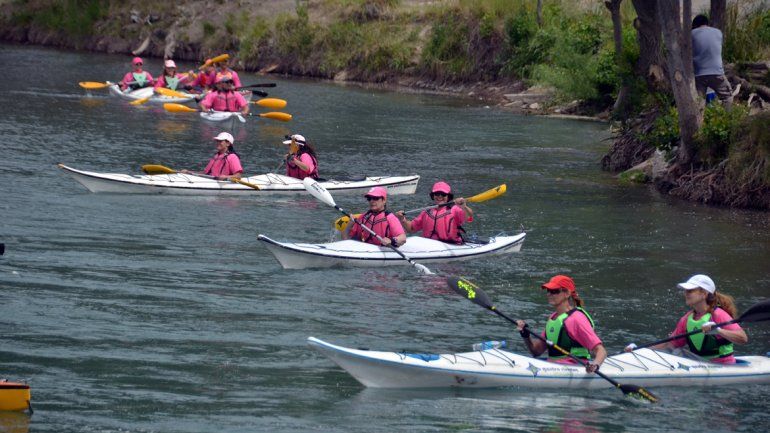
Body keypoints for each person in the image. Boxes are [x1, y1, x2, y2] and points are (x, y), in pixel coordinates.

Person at [626, 274, 748, 364]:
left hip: (723, 366)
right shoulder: (686, 319)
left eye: (690, 290)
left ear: (704, 294)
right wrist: (639, 350)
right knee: (675, 352)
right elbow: (670, 344)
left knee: (678, 353)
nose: (686, 293)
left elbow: (743, 338)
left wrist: (719, 331)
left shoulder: (718, 315)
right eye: (685, 291)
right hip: (701, 363)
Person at [515, 275, 607, 374]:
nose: (549, 294)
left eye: (554, 291)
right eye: (548, 291)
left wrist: (595, 365)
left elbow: (601, 351)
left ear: (567, 293)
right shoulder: (553, 318)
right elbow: (536, 352)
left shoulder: (576, 319)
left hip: (574, 368)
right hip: (552, 367)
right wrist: (525, 335)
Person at [396, 181, 472, 244]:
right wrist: (403, 219)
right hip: (430, 246)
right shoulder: (427, 211)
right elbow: (411, 229)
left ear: (448, 196)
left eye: (443, 194)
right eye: (437, 194)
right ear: (433, 195)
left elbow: (469, 217)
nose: (440, 196)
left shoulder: (455, 210)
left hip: (451, 245)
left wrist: (464, 207)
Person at [692, 14, 733, 110]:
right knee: (727, 96)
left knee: (699, 101)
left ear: (695, 25)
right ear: (707, 23)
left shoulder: (691, 34)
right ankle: (727, 117)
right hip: (716, 73)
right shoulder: (718, 32)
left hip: (699, 74)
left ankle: (699, 119)